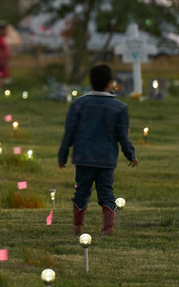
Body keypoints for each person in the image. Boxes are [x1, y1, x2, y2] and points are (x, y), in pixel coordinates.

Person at [57, 64, 138, 236]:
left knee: (81, 192)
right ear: (110, 83)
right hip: (106, 158)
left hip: (84, 157)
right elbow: (122, 136)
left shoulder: (78, 104)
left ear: (91, 82)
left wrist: (62, 155)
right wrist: (130, 153)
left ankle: (78, 228)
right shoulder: (119, 108)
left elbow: (69, 132)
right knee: (107, 193)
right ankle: (108, 228)